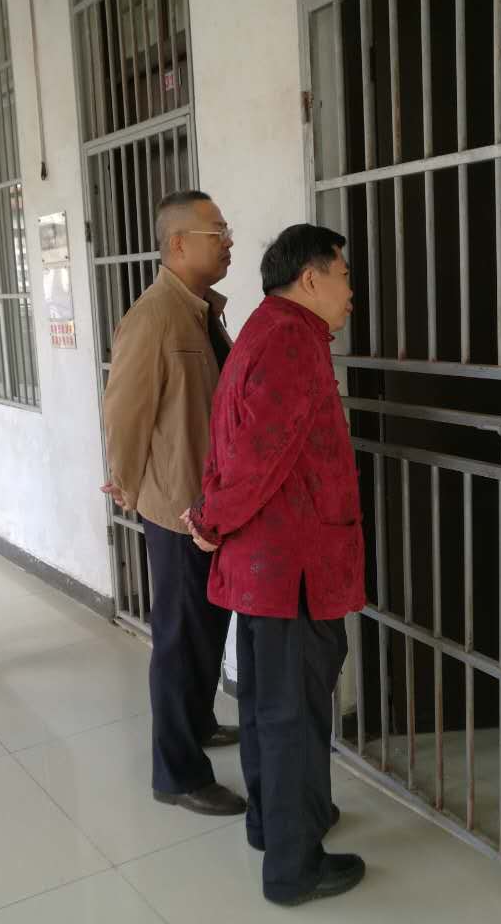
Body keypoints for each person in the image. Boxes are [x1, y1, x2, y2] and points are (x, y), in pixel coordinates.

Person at [183, 224, 366, 906]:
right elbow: (258, 458)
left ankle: (277, 823)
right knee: (291, 717)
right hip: (292, 570)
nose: (351, 291)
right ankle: (294, 868)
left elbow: (231, 446)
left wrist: (211, 514)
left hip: (268, 567)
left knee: (267, 708)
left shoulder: (269, 329)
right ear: (311, 279)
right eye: (343, 275)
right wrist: (209, 520)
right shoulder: (291, 342)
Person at [101, 190, 245, 816]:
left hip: (208, 506)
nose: (228, 241)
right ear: (179, 243)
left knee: (205, 630)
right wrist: (129, 485)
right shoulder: (154, 316)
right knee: (181, 639)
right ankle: (177, 774)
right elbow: (123, 412)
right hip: (178, 508)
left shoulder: (202, 312)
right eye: (218, 231)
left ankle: (198, 722)